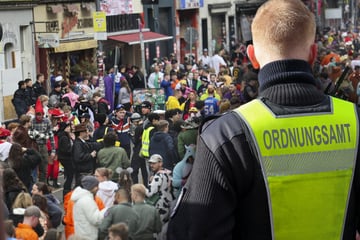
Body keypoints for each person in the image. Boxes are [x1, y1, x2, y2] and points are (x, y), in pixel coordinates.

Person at [167, 0, 360, 239]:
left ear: (252, 57)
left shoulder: (226, 136)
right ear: (312, 55)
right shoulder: (355, 123)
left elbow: (194, 231)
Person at [71, 176, 106, 240]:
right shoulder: (87, 200)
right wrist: (106, 210)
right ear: (94, 187)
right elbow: (96, 219)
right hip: (88, 236)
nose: (98, 188)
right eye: (97, 186)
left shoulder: (80, 198)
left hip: (81, 234)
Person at [146, 154, 174, 224]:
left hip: (160, 206)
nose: (151, 165)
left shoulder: (158, 176)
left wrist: (141, 188)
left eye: (154, 163)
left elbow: (149, 193)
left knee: (157, 230)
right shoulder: (168, 172)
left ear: (160, 163)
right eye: (150, 163)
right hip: (169, 203)